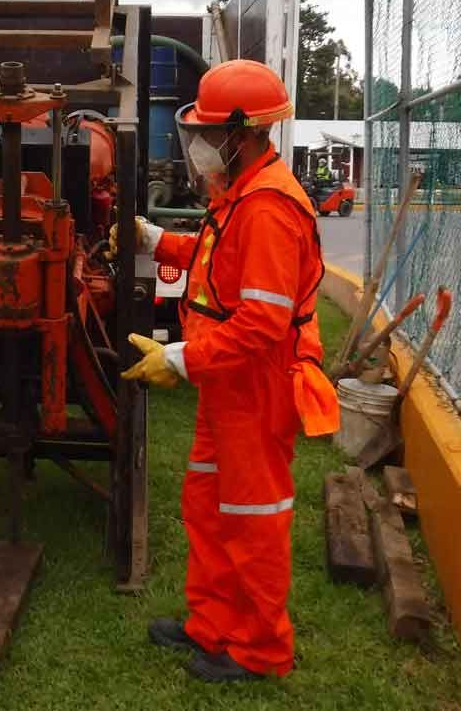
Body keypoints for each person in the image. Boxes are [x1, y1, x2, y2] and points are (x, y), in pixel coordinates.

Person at [118, 60, 339, 682]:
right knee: (211, 507)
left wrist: (178, 359)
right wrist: (154, 239)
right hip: (226, 385)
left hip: (255, 385)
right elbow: (217, 261)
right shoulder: (241, 194)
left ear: (241, 135)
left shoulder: (269, 208)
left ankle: (261, 649)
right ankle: (213, 625)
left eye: (205, 134)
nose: (197, 145)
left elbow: (261, 326)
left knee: (253, 518)